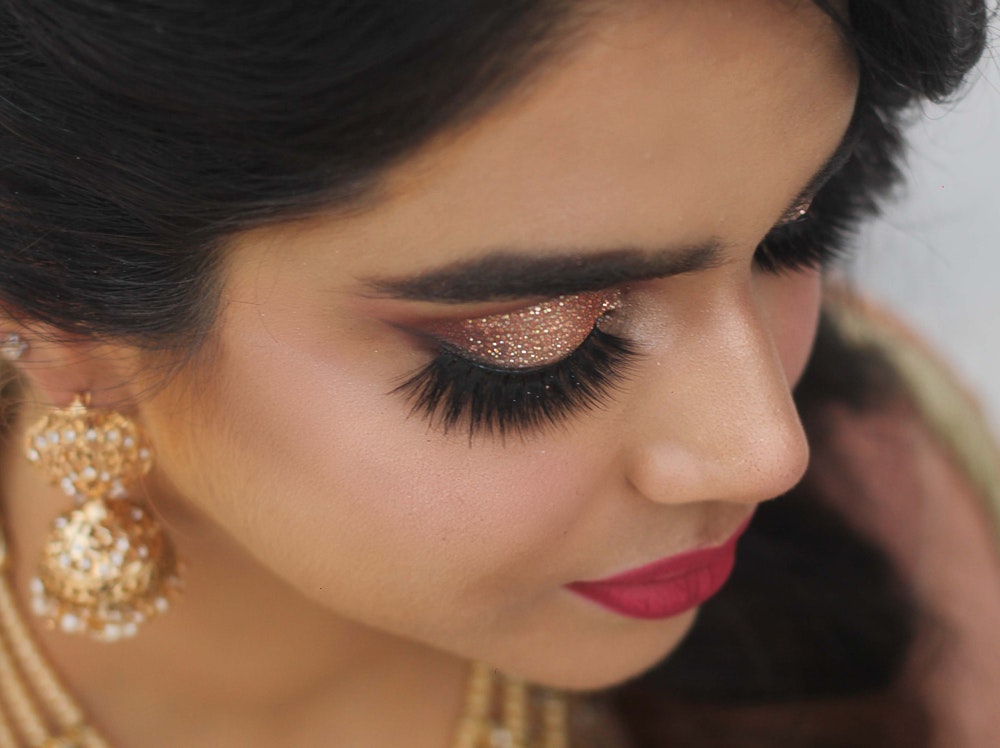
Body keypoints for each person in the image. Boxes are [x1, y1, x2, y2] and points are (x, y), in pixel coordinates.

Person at [0, 0, 994, 746]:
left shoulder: (888, 510)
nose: (767, 450)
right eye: (536, 338)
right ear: (64, 325)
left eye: (791, 235)